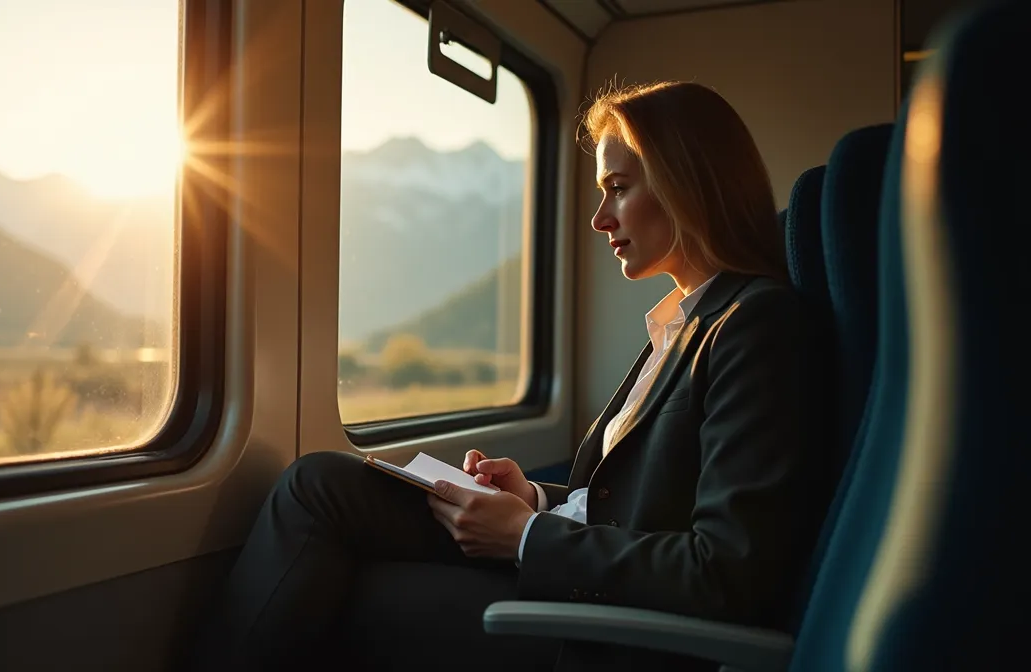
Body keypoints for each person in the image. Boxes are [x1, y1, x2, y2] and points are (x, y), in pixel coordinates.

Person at [189, 81, 830, 672]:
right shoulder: (682, 322)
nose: (599, 219)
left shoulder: (755, 326)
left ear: (687, 184)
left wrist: (524, 536)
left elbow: (725, 572)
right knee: (319, 483)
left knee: (345, 585)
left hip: (624, 636)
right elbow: (646, 503)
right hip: (584, 570)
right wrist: (536, 501)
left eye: (619, 187)